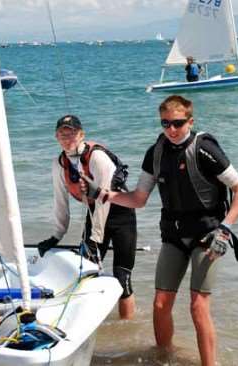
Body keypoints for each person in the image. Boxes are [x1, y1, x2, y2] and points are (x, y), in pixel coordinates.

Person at [82, 96, 238, 366]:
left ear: (190, 121)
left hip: (208, 237)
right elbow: (138, 198)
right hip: (173, 235)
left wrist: (225, 229)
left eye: (178, 123)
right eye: (165, 123)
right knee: (160, 305)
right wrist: (102, 194)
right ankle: (164, 358)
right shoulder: (155, 153)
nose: (171, 129)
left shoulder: (205, 148)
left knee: (198, 306)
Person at [37, 115, 137, 320]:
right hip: (95, 217)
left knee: (122, 278)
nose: (67, 138)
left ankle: (126, 327)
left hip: (120, 215)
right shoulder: (59, 164)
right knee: (85, 275)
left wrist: (95, 237)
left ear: (82, 134)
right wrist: (56, 235)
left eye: (71, 133)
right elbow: (60, 202)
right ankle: (84, 322)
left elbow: (104, 199)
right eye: (62, 134)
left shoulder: (97, 157)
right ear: (56, 137)